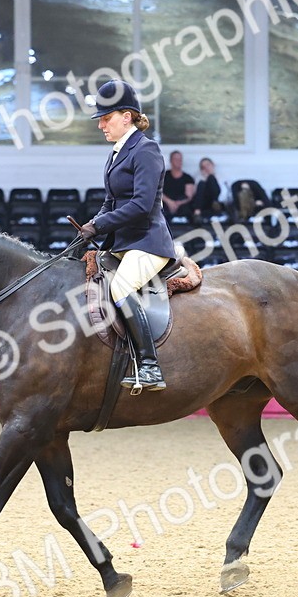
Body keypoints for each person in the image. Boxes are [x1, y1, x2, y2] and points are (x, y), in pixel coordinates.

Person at [78, 80, 177, 393]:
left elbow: (141, 205)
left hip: (148, 242)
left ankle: (150, 365)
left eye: (106, 119)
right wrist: (90, 226)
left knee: (121, 286)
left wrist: (101, 225)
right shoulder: (115, 154)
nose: (102, 126)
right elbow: (111, 201)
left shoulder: (146, 150)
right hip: (123, 244)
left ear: (127, 116)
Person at [161, 151, 195, 220]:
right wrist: (170, 202)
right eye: (176, 159)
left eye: (180, 159)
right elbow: (157, 191)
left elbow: (189, 196)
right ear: (171, 161)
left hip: (182, 204)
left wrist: (178, 204)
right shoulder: (163, 176)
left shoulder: (188, 178)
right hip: (166, 203)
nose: (178, 161)